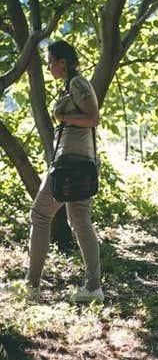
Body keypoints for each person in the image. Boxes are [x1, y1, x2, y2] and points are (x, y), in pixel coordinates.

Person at [0, 40, 103, 304]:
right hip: (75, 161)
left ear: (63, 62)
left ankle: (31, 285)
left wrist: (64, 118)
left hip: (71, 163)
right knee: (80, 222)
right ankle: (93, 287)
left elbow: (93, 118)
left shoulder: (78, 84)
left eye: (50, 61)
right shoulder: (71, 85)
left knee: (40, 215)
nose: (48, 66)